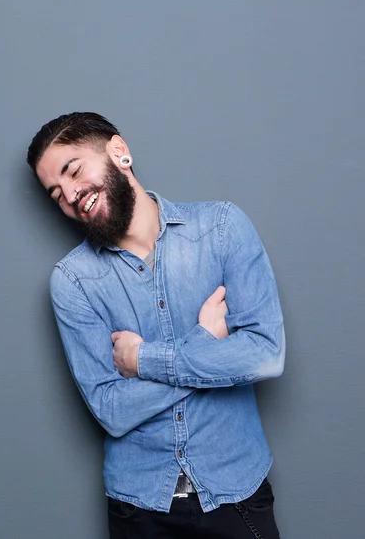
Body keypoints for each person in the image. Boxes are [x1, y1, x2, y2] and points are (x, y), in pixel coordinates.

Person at [27, 112, 285, 539]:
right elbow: (111, 409)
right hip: (139, 508)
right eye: (57, 193)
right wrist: (204, 343)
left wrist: (141, 358)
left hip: (236, 493)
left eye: (73, 171)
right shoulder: (72, 282)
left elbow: (264, 354)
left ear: (119, 152)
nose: (71, 195)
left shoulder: (221, 229)